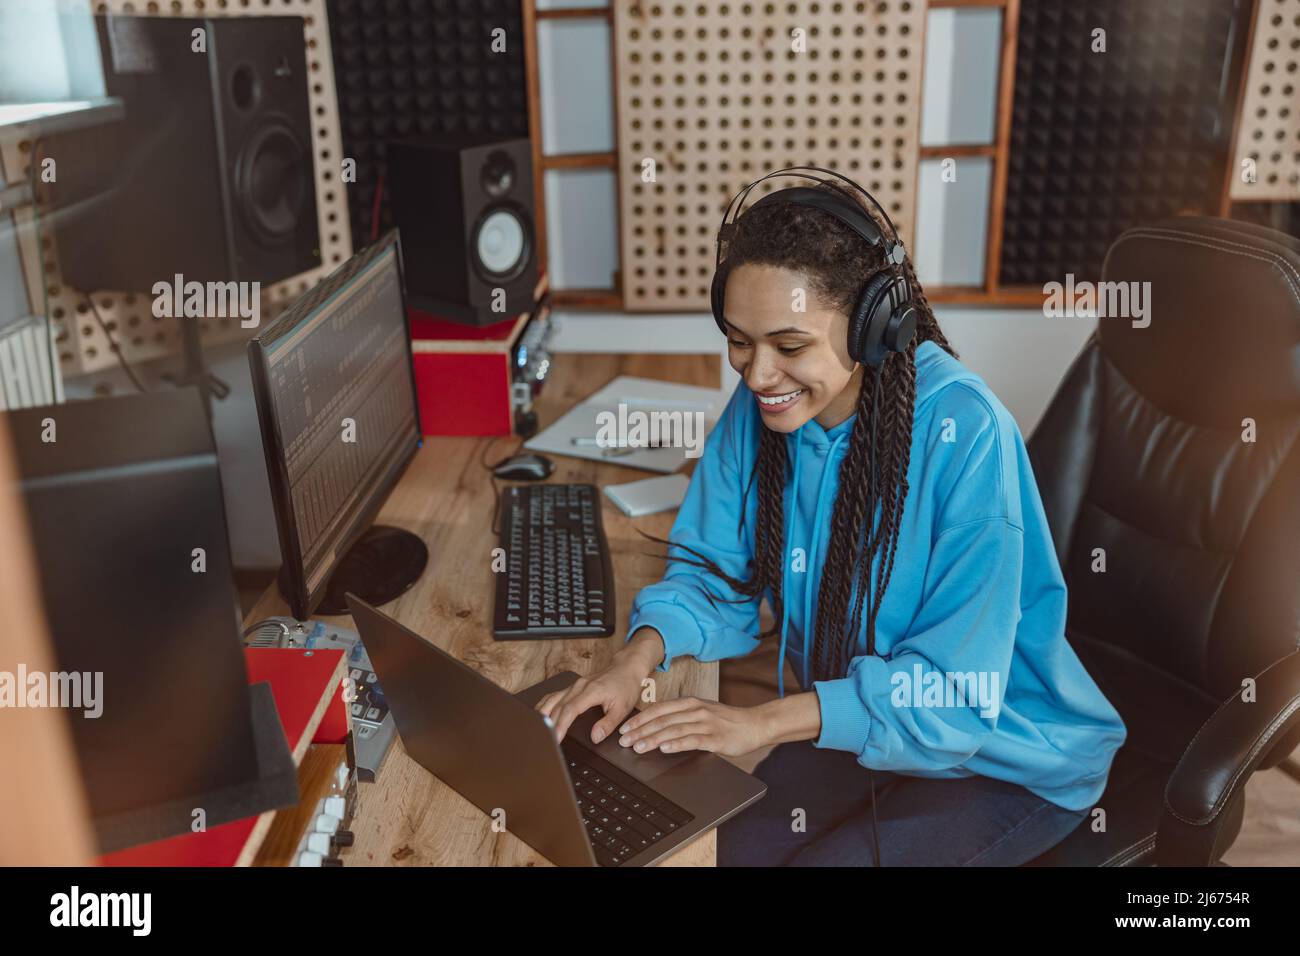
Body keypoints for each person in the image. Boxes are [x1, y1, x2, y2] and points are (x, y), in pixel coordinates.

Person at [536, 172, 1127, 866]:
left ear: (874, 326)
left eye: (789, 347)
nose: (757, 375)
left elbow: (955, 697)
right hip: (866, 724)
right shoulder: (768, 407)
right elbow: (714, 572)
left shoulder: (967, 436)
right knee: (712, 852)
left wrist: (759, 722)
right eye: (739, 341)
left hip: (1005, 756)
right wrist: (633, 661)